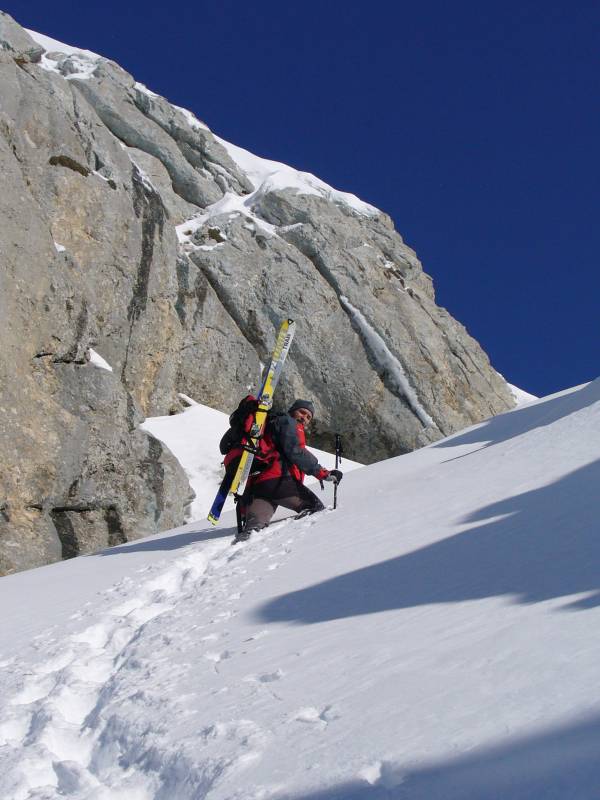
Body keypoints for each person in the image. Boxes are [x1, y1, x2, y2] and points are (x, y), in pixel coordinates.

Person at [237, 399, 342, 540]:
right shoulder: (289, 422)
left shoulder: (272, 425)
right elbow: (296, 451)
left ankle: (237, 556)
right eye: (302, 412)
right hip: (280, 481)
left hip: (260, 486)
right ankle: (295, 549)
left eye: (308, 417)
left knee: (253, 531)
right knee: (315, 509)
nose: (304, 418)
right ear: (293, 411)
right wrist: (323, 473)